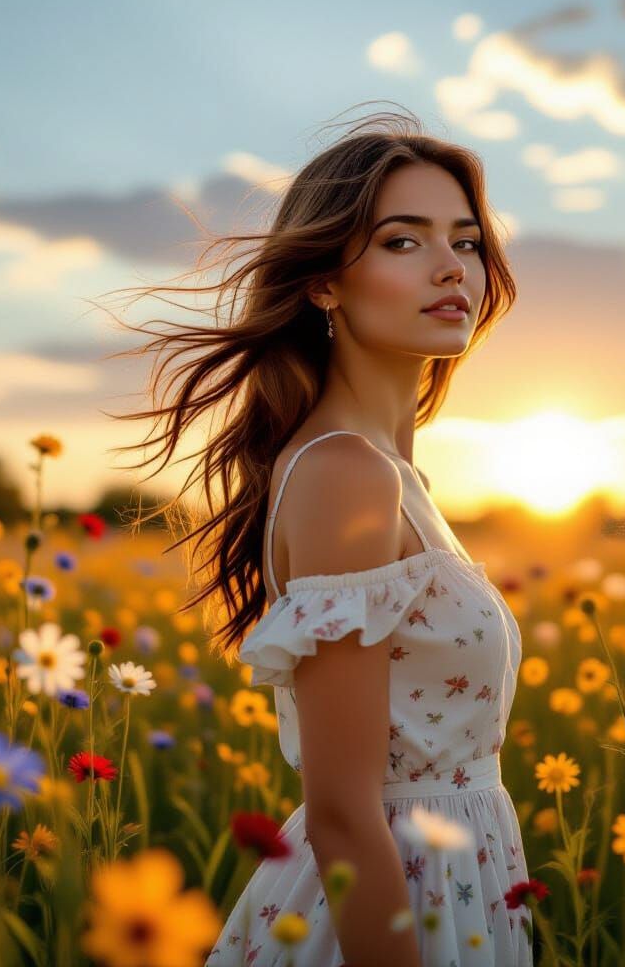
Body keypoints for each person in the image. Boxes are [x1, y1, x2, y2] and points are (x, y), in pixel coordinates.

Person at [108, 105, 532, 966]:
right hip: (383, 914)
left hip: (453, 891)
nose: (451, 267)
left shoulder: (391, 473)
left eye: (466, 240)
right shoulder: (346, 474)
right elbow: (343, 812)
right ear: (324, 282)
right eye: (403, 242)